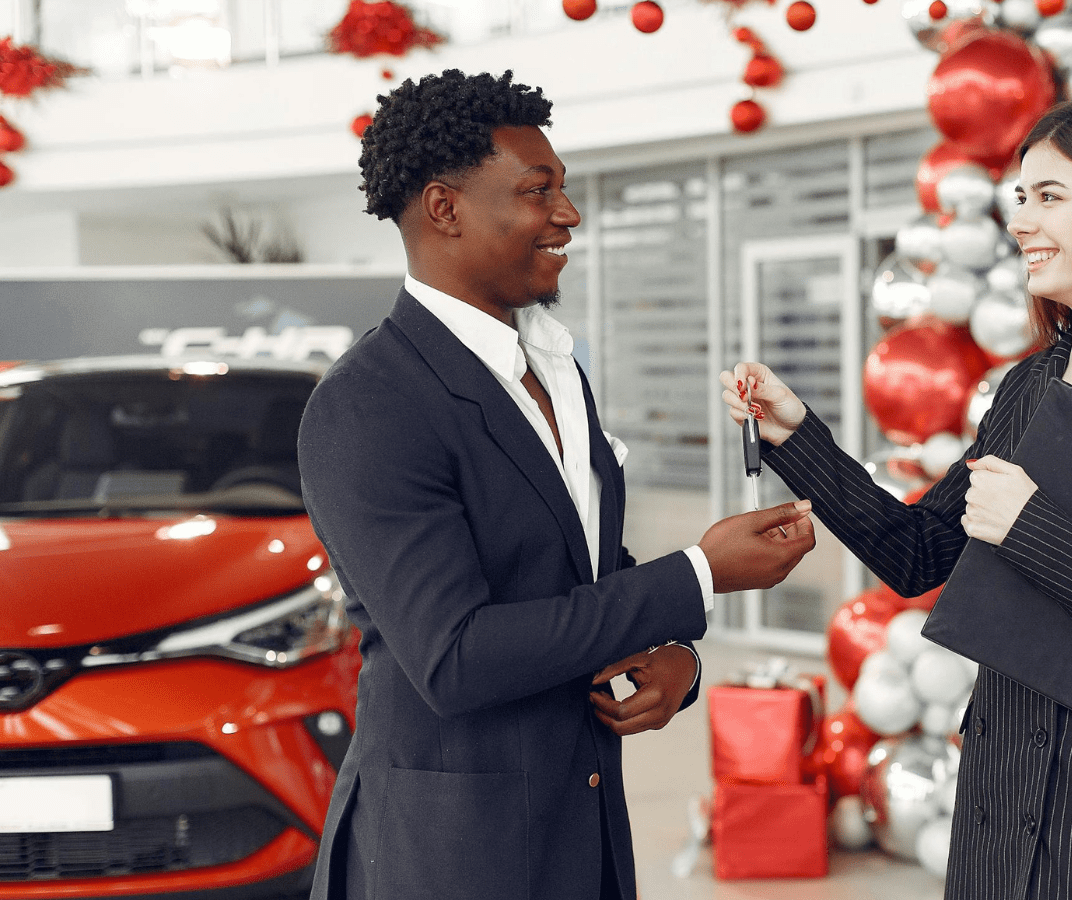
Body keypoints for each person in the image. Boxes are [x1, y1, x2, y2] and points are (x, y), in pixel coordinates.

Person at [721, 99, 1072, 900]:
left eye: (1050, 196)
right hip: (997, 796)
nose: (1021, 220)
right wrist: (794, 432)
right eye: (1019, 198)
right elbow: (917, 554)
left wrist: (1032, 529)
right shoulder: (1027, 386)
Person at [298, 69, 815, 900]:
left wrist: (676, 656)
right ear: (445, 208)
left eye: (564, 191)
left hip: (585, 834)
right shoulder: (368, 404)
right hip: (451, 856)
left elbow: (574, 566)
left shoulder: (553, 366)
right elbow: (457, 657)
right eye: (540, 193)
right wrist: (699, 574)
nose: (568, 216)